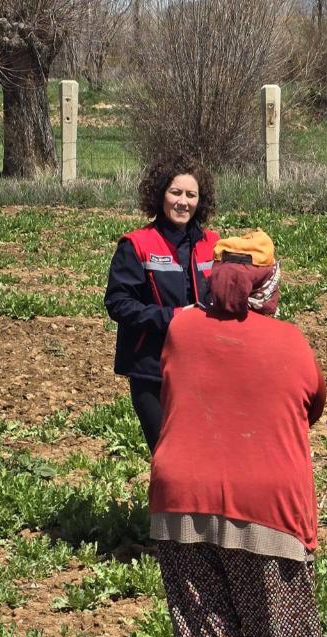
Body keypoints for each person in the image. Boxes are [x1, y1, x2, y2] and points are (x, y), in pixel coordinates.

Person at [148, 230, 327, 637]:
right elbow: (310, 406)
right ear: (268, 285)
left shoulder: (182, 330)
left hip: (180, 496)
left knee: (205, 630)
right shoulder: (289, 340)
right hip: (266, 507)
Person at [104, 154, 219, 453]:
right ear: (160, 195)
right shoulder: (136, 244)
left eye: (191, 195)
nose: (183, 202)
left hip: (200, 366)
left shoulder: (214, 244)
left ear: (200, 201)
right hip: (151, 367)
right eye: (175, 192)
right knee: (167, 453)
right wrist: (174, 317)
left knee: (201, 451)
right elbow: (118, 304)